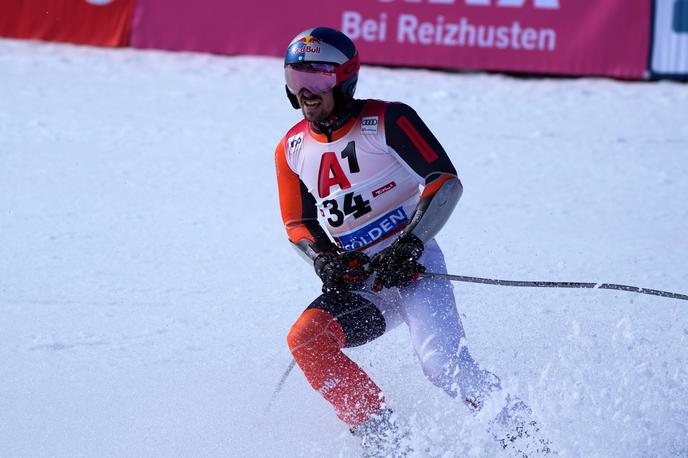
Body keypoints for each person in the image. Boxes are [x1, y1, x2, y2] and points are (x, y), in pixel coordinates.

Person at [274, 27, 549, 457]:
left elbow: (444, 182)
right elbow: (297, 223)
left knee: (443, 367)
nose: (307, 92)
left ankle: (530, 444)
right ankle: (389, 446)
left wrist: (410, 244)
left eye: (320, 78)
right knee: (307, 340)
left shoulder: (386, 120)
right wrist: (324, 261)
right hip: (363, 283)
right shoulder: (290, 149)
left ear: (345, 78)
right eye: (296, 79)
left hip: (415, 270)